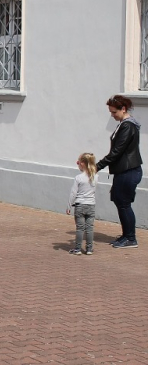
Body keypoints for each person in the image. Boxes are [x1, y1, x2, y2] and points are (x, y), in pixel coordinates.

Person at [96, 95, 142, 249]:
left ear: (123, 109)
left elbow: (117, 151)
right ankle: (126, 235)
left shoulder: (128, 126)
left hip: (128, 170)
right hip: (124, 170)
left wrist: (97, 166)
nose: (112, 115)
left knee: (123, 203)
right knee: (119, 201)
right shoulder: (125, 124)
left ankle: (130, 238)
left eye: (114, 112)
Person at [68, 153, 97, 255]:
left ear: (83, 164)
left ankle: (78, 249)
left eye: (78, 162)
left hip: (80, 205)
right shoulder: (95, 176)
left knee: (80, 228)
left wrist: (69, 205)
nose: (78, 164)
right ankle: (89, 249)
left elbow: (73, 193)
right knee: (89, 228)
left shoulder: (78, 177)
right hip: (91, 205)